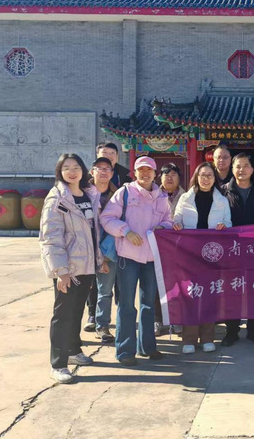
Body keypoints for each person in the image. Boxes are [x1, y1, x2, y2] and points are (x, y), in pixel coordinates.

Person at [101, 156, 173, 366]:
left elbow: (168, 221)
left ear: (155, 173)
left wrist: (163, 227)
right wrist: (126, 231)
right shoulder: (124, 193)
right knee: (126, 304)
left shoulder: (162, 197)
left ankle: (147, 347)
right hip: (128, 257)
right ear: (135, 173)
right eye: (141, 170)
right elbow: (107, 218)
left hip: (151, 258)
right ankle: (125, 351)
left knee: (148, 303)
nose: (145, 174)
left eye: (149, 170)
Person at [40, 153, 104, 383]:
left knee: (77, 310)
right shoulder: (57, 198)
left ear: (83, 170)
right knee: (62, 314)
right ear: (60, 172)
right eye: (66, 168)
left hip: (86, 265)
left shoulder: (88, 194)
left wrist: (99, 260)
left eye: (76, 167)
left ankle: (74, 350)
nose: (72, 171)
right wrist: (61, 271)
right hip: (68, 266)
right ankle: (58, 364)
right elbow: (51, 237)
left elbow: (93, 231)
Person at [173, 162, 231, 354]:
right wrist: (177, 225)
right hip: (189, 253)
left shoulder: (222, 200)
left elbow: (229, 223)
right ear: (196, 177)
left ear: (215, 178)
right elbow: (176, 219)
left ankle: (207, 338)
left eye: (210, 175)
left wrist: (223, 227)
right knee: (190, 295)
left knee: (209, 296)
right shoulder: (185, 198)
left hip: (212, 254)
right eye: (202, 175)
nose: (206, 179)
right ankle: (189, 339)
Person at [222, 153, 254, 346]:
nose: (242, 170)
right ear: (232, 169)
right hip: (231, 250)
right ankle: (231, 330)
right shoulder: (223, 191)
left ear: (252, 169)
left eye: (246, 165)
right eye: (238, 166)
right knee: (231, 290)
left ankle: (253, 329)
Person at [154, 163, 186, 336]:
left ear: (179, 178)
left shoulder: (187, 196)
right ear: (160, 177)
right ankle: (157, 320)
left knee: (178, 285)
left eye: (173, 174)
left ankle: (176, 319)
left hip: (179, 248)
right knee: (156, 284)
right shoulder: (153, 194)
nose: (169, 177)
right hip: (156, 247)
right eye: (166, 174)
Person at [89, 157, 118, 343]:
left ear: (112, 173)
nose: (103, 172)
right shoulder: (83, 194)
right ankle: (96, 324)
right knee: (91, 291)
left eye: (107, 168)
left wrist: (105, 255)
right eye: (99, 168)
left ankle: (104, 326)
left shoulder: (118, 195)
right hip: (86, 249)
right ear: (92, 172)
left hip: (110, 250)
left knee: (106, 290)